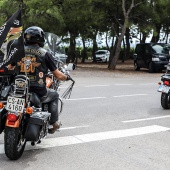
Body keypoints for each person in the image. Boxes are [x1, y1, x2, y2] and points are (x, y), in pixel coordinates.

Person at [16, 26, 72, 134]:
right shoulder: (45, 53)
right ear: (40, 39)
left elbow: (10, 67)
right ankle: (54, 122)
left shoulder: (18, 51)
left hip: (19, 87)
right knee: (54, 94)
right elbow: (58, 75)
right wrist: (66, 77)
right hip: (37, 89)